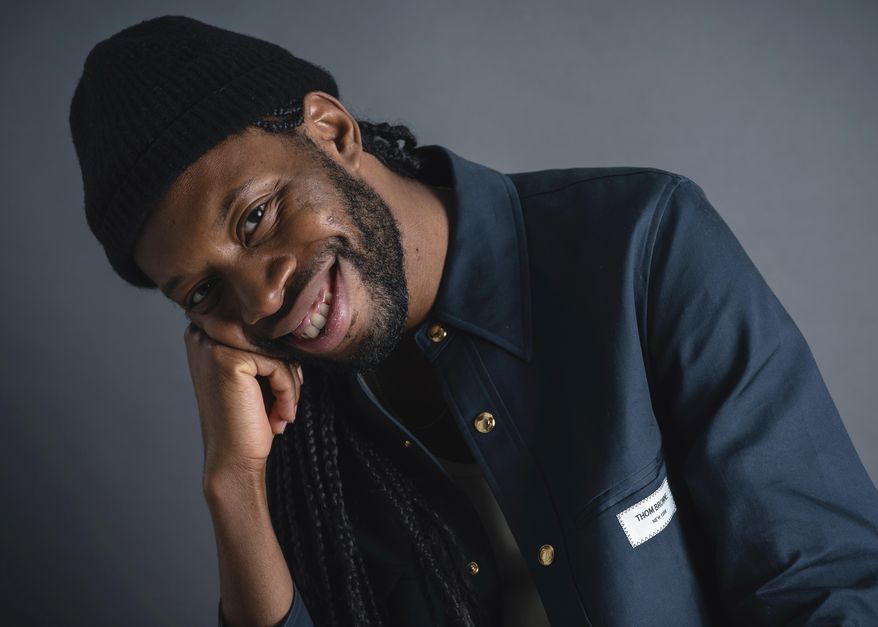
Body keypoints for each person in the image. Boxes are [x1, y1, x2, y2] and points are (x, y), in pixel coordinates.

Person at [68, 15, 878, 627]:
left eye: (254, 219)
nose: (259, 301)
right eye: (204, 293)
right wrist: (234, 483)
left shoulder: (640, 244)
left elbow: (822, 583)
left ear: (333, 132)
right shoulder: (283, 418)